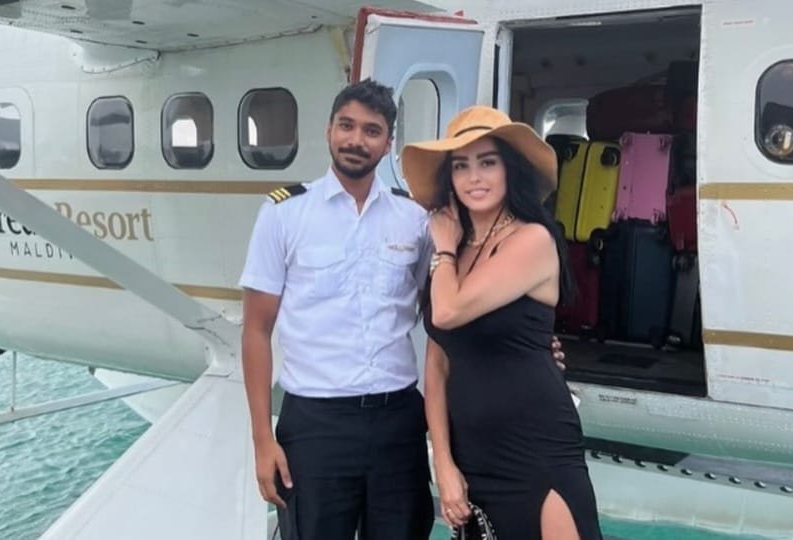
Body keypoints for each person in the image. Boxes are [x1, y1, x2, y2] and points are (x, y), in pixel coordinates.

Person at [239, 79, 568, 540]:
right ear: (328, 130)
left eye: (371, 130)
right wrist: (262, 439)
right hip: (316, 424)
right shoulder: (283, 214)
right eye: (346, 126)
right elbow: (256, 330)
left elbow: (453, 310)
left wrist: (528, 347)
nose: (356, 140)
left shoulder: (415, 219)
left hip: (397, 421)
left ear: (388, 142)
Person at [401, 105, 604, 540]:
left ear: (510, 169)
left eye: (487, 162)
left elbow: (448, 312)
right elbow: (436, 365)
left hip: (537, 446)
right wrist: (444, 463)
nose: (474, 177)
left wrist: (443, 250)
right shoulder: (452, 254)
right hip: (473, 453)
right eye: (461, 166)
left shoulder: (531, 239)